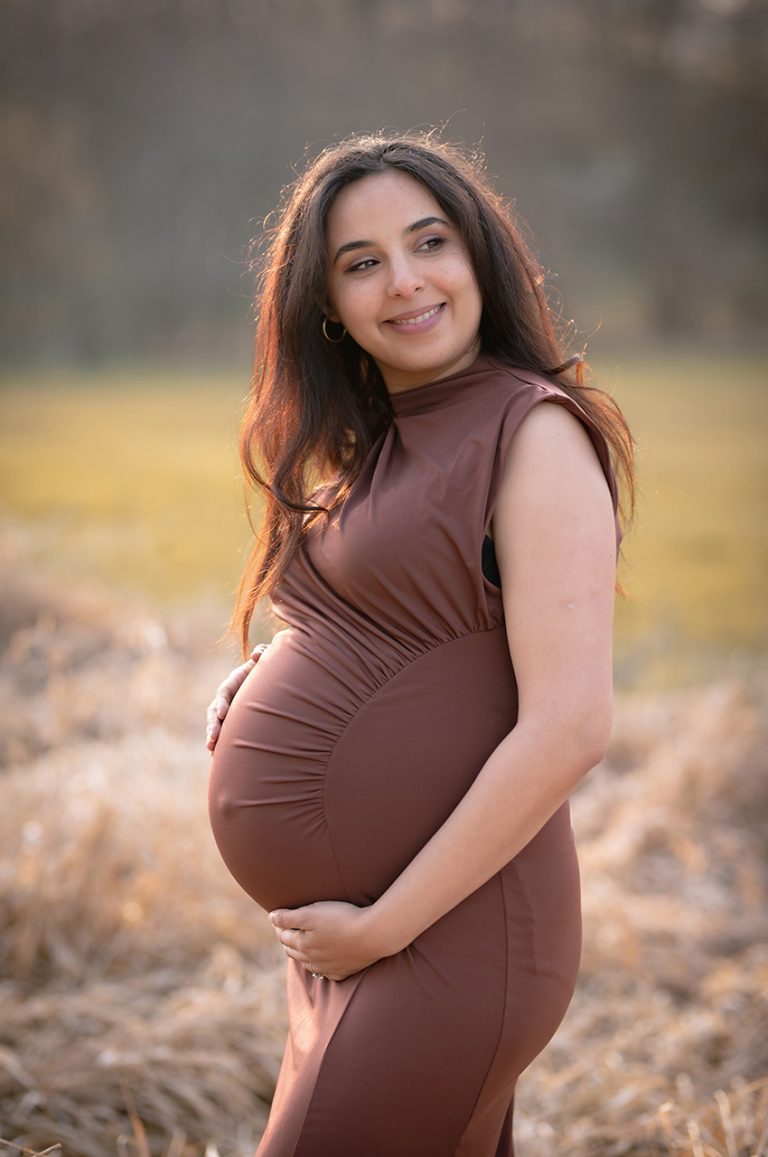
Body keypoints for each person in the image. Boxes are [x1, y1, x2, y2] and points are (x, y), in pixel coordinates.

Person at [206, 130, 634, 1156]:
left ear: (478, 252)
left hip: (449, 931)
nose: (404, 282)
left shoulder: (532, 433)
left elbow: (570, 724)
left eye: (427, 241)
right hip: (356, 931)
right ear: (328, 305)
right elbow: (401, 627)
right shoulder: (382, 440)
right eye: (363, 263)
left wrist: (387, 925)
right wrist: (263, 676)